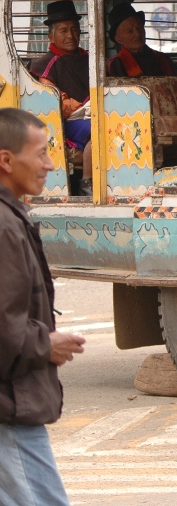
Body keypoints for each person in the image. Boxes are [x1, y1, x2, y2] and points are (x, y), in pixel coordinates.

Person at [0, 108, 86, 506]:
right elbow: (4, 326)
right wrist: (45, 344)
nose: (50, 164)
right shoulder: (3, 225)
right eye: (40, 154)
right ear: (6, 160)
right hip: (10, 409)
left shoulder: (12, 216)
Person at [31, 0, 94, 196]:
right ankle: (88, 184)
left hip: (92, 112)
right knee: (101, 129)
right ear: (51, 36)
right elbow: (54, 100)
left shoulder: (91, 59)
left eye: (74, 29)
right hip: (69, 123)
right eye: (64, 30)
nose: (71, 35)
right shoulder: (46, 64)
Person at [105, 3, 177, 78]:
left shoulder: (163, 59)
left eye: (139, 28)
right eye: (130, 31)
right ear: (118, 38)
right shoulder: (115, 65)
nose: (137, 34)